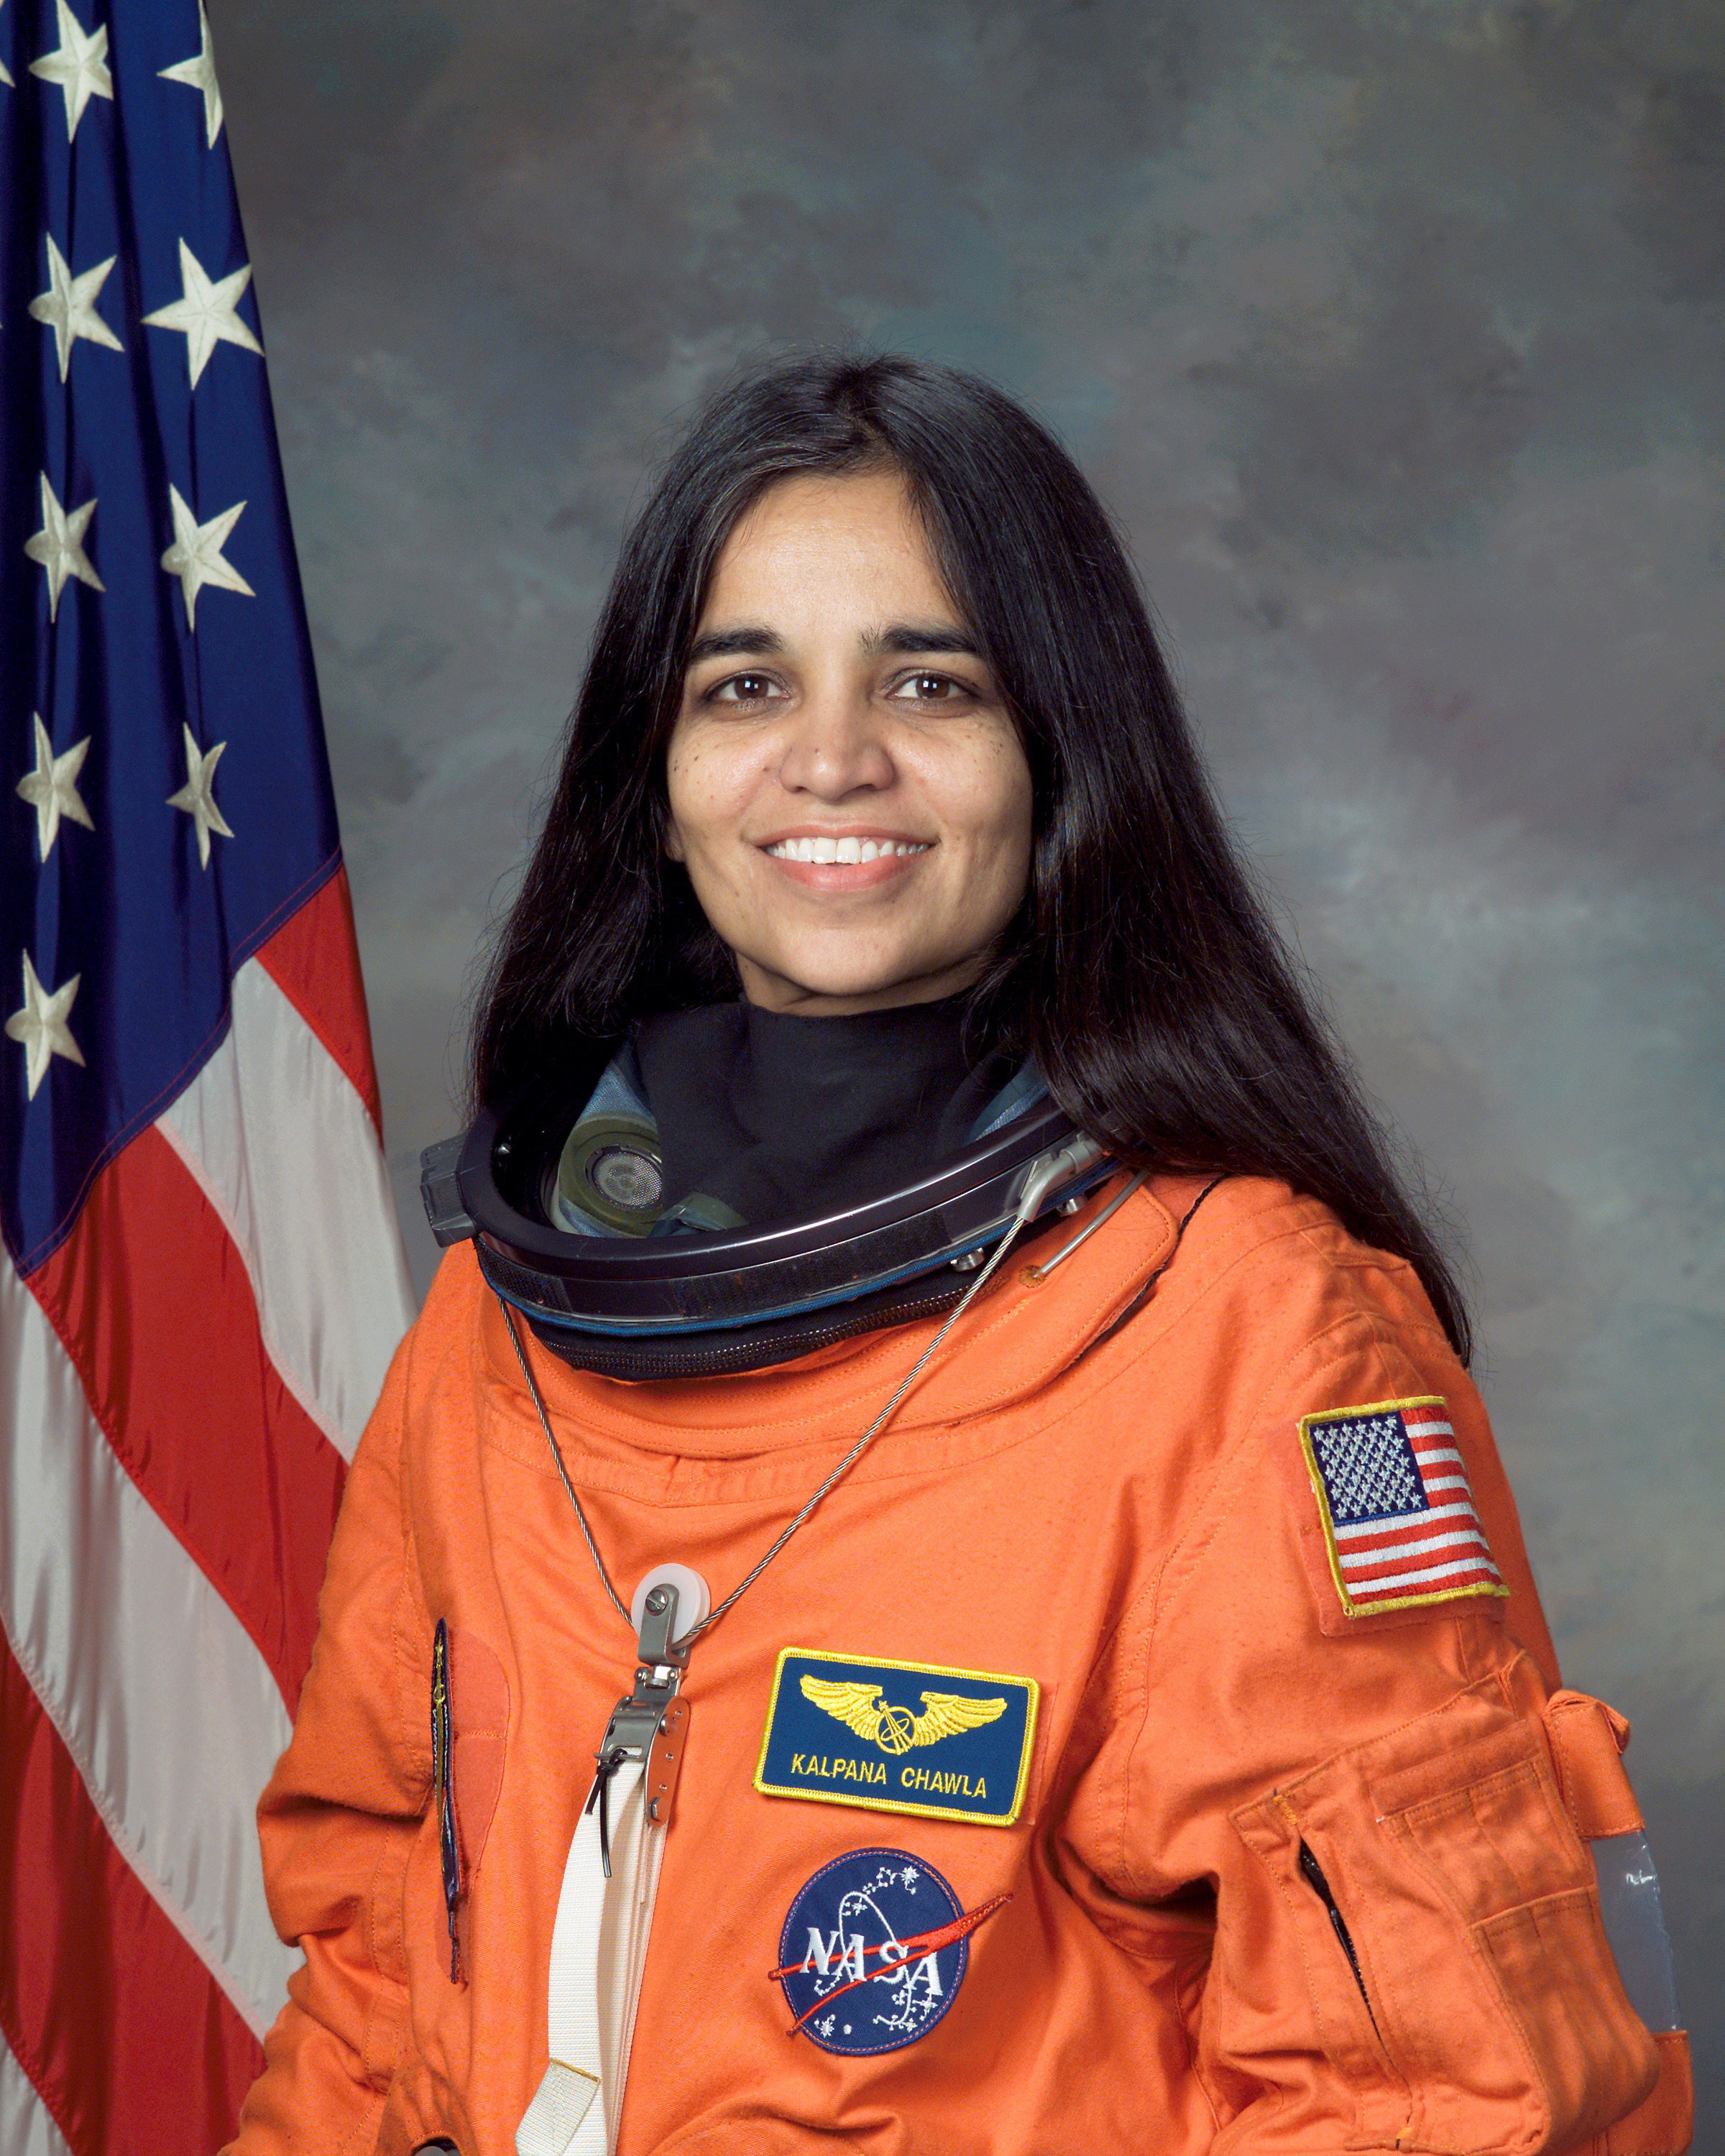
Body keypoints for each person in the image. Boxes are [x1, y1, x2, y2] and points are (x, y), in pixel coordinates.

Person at [228, 354, 1691, 2155]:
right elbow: (376, 1980)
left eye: (931, 681)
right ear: (659, 773)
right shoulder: (504, 1320)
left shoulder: (1249, 1333)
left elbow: (1443, 2093)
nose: (832, 758)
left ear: (1056, 753)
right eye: (745, 684)